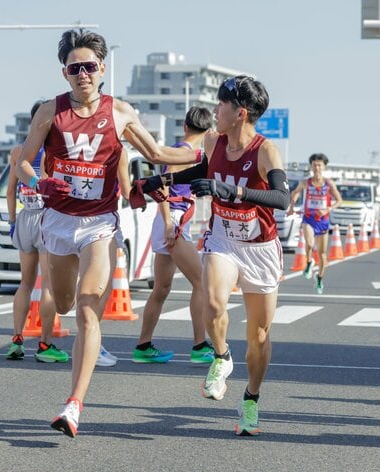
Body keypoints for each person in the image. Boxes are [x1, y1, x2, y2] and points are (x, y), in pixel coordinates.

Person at [15, 29, 203, 438]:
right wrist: (39, 183)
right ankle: (73, 390)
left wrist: (199, 156)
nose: (82, 74)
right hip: (58, 221)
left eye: (89, 67)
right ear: (64, 72)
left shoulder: (119, 112)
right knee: (63, 303)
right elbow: (23, 162)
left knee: (86, 308)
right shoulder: (50, 111)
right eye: (74, 68)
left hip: (99, 223)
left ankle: (74, 403)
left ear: (102, 68)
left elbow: (156, 154)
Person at [141, 75, 291, 435]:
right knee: (213, 302)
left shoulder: (265, 151)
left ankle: (251, 399)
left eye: (221, 103)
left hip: (259, 249)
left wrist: (233, 191)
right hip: (222, 239)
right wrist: (163, 181)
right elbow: (203, 171)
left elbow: (281, 199)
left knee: (259, 336)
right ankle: (222, 356)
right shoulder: (213, 140)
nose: (215, 110)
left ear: (240, 113)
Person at [131, 106, 215, 364]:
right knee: (201, 282)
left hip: (171, 221)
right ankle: (200, 346)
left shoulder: (186, 151)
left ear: (186, 127)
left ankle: (143, 347)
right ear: (208, 130)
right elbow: (162, 188)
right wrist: (169, 224)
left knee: (162, 288)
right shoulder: (186, 153)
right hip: (174, 221)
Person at [5, 102, 70, 365]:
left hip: (24, 218)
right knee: (49, 285)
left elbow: (10, 191)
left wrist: (12, 222)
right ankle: (44, 345)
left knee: (25, 283)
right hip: (47, 219)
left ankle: (17, 340)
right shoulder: (51, 152)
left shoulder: (18, 151)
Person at [287, 153, 342, 293]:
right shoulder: (306, 182)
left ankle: (320, 278)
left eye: (319, 165)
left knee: (323, 255)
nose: (317, 167)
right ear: (311, 166)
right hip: (308, 218)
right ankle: (309, 262)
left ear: (324, 167)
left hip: (323, 221)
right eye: (314, 165)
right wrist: (292, 206)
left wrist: (328, 209)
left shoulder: (329, 183)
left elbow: (339, 200)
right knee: (310, 244)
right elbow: (296, 192)